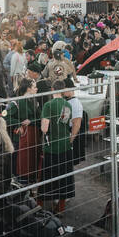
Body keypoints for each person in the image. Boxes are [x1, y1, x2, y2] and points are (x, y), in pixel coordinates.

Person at [39, 80, 75, 213]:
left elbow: (44, 128)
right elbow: (65, 123)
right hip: (65, 145)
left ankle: (40, 205)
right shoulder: (67, 105)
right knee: (63, 176)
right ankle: (60, 207)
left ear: (52, 89)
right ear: (63, 89)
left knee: (47, 176)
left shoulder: (48, 105)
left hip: (51, 146)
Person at [6, 77, 41, 182]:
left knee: (31, 159)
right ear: (28, 89)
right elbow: (4, 117)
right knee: (18, 160)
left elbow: (40, 117)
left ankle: (29, 178)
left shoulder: (35, 101)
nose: (37, 89)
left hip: (33, 137)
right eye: (34, 87)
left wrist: (31, 121)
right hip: (19, 138)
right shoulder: (15, 102)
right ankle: (16, 180)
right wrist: (18, 123)